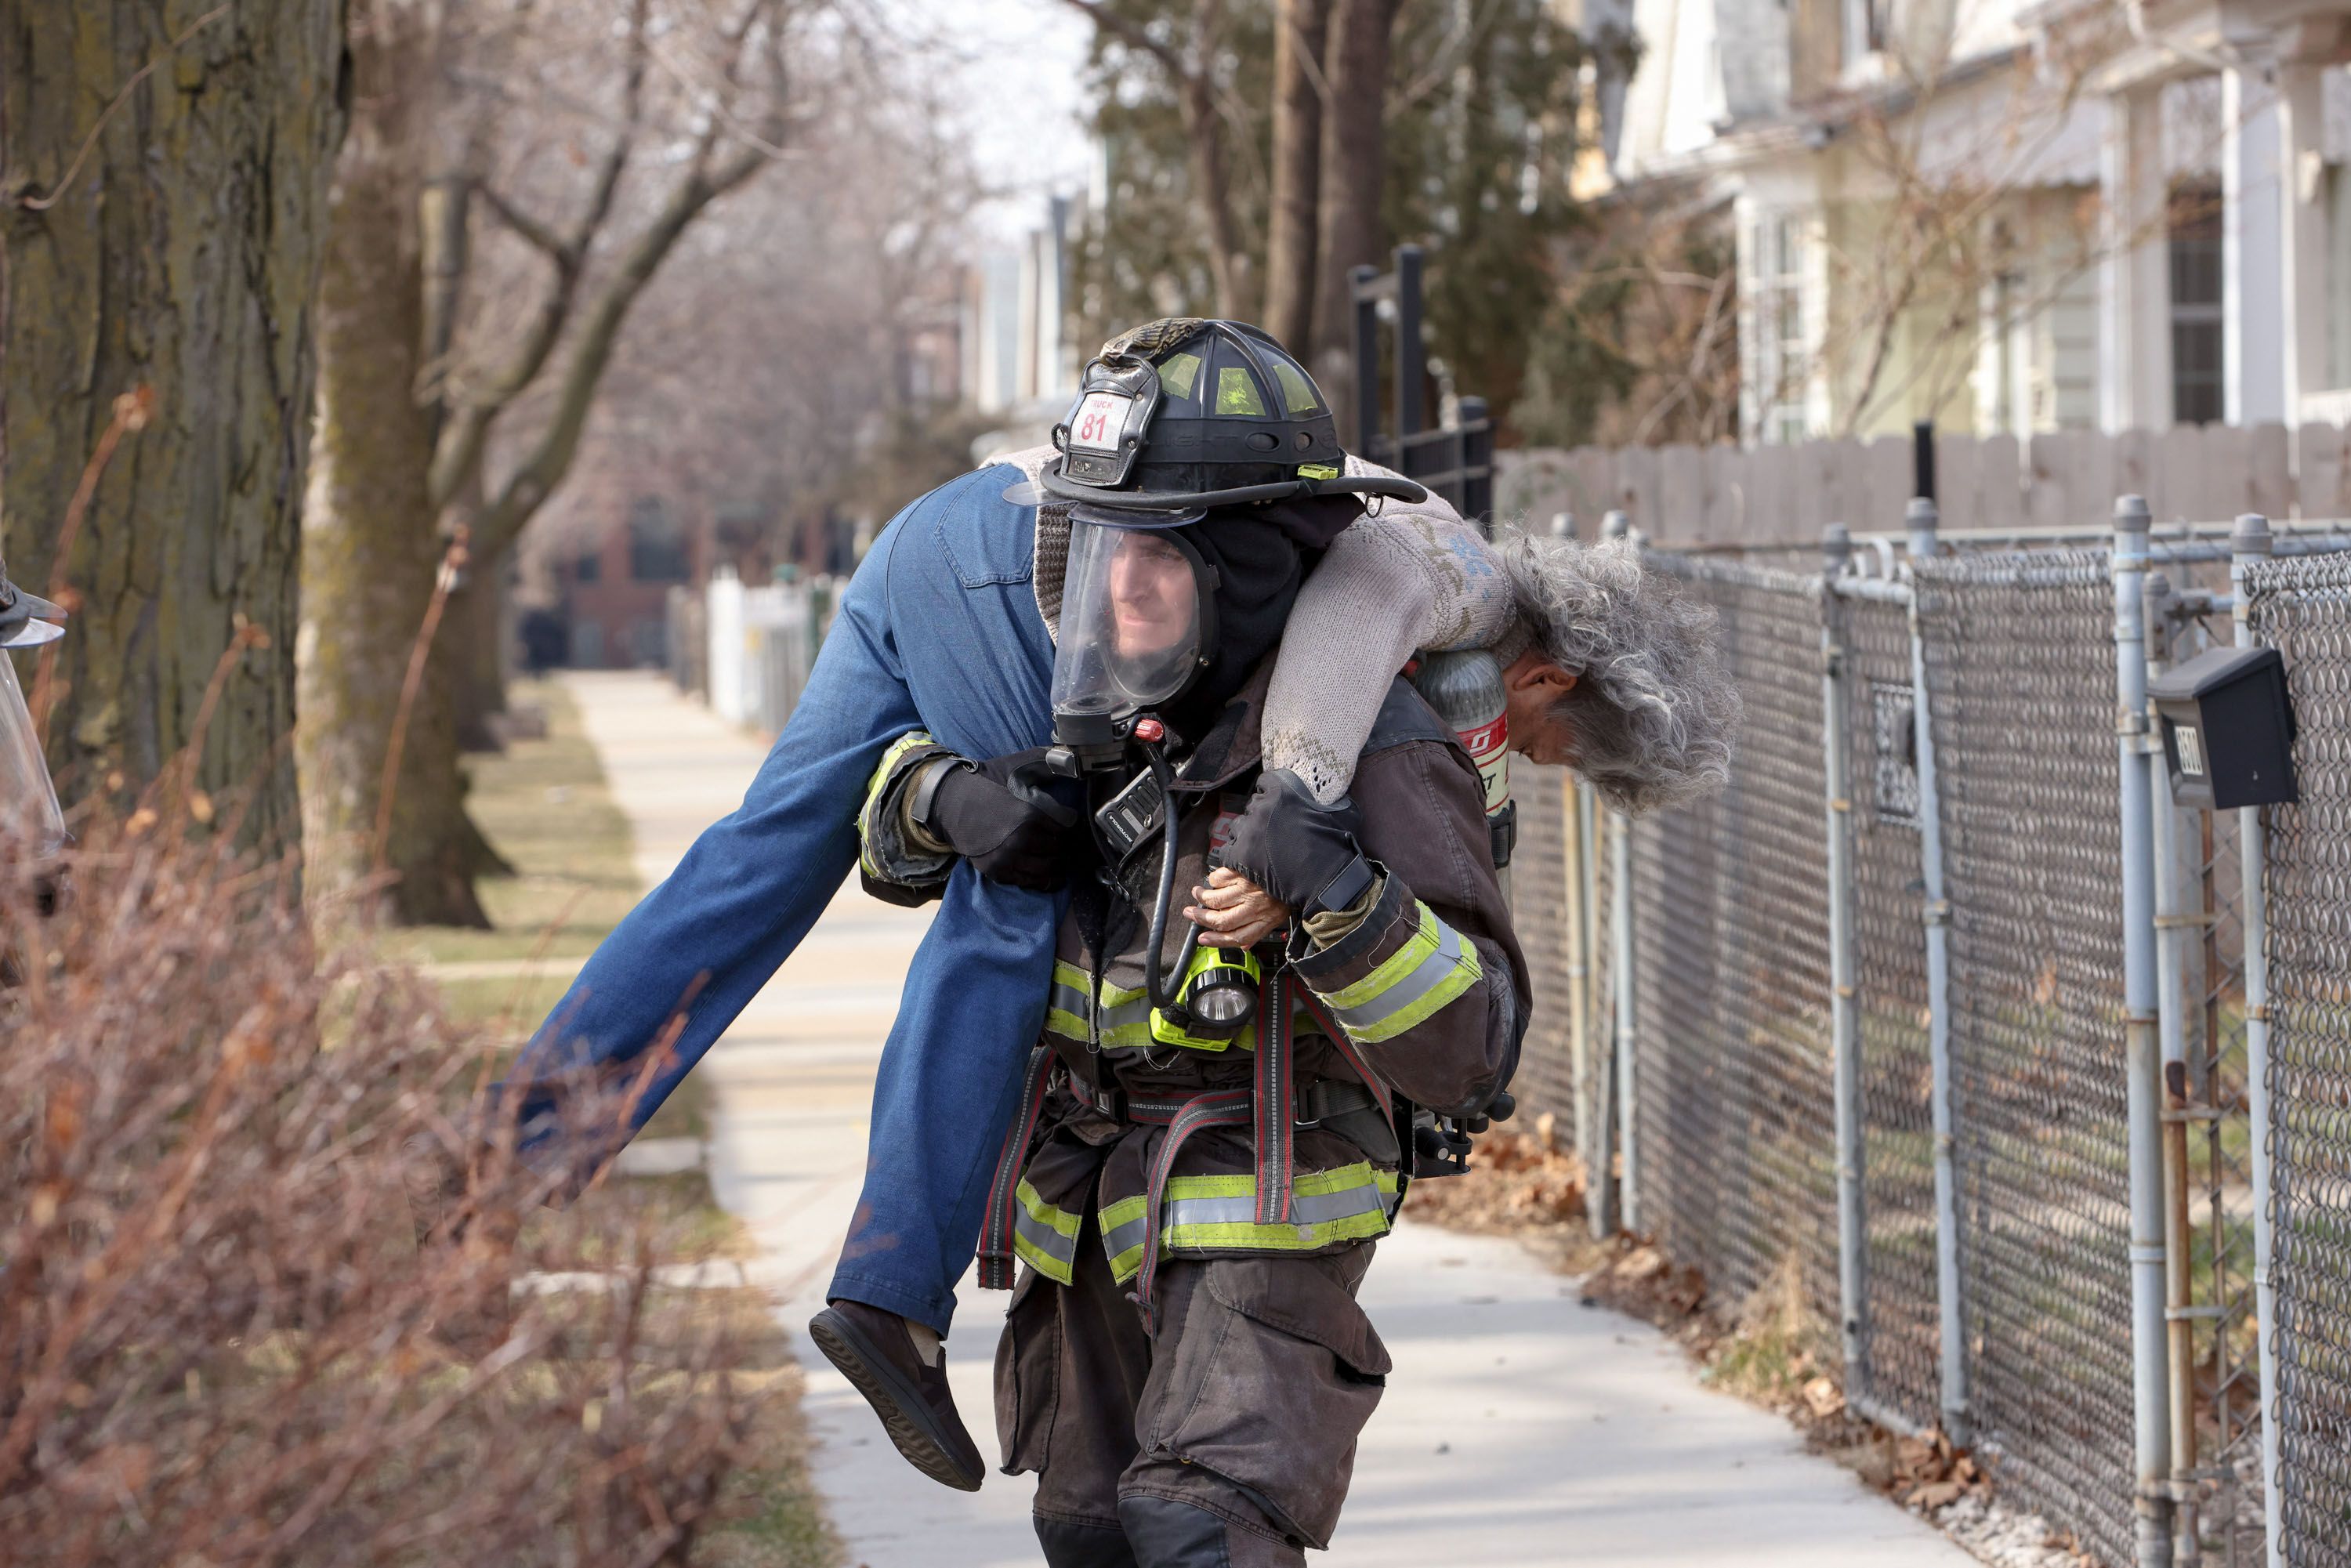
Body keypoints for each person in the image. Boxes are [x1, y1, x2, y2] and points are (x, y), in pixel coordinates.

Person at [494, 318, 1738, 1497]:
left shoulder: (1396, 542)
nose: (1517, 753)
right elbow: (1341, 641)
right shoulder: (1439, 559)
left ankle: (503, 1169)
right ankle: (886, 1293)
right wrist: (1294, 818)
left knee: (751, 869)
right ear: (1550, 673)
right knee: (1022, 887)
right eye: (1550, 741)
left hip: (938, 539)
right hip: (1013, 584)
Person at [849, 457, 1736, 1561]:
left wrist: (1338, 897)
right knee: (1093, 1533)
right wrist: (941, 798)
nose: (1125, 582)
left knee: (1199, 1529)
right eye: (1119, 553)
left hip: (1267, 1205)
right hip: (1091, 1218)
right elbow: (894, 821)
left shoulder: (1390, 744)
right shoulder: (1105, 694)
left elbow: (1474, 1043)